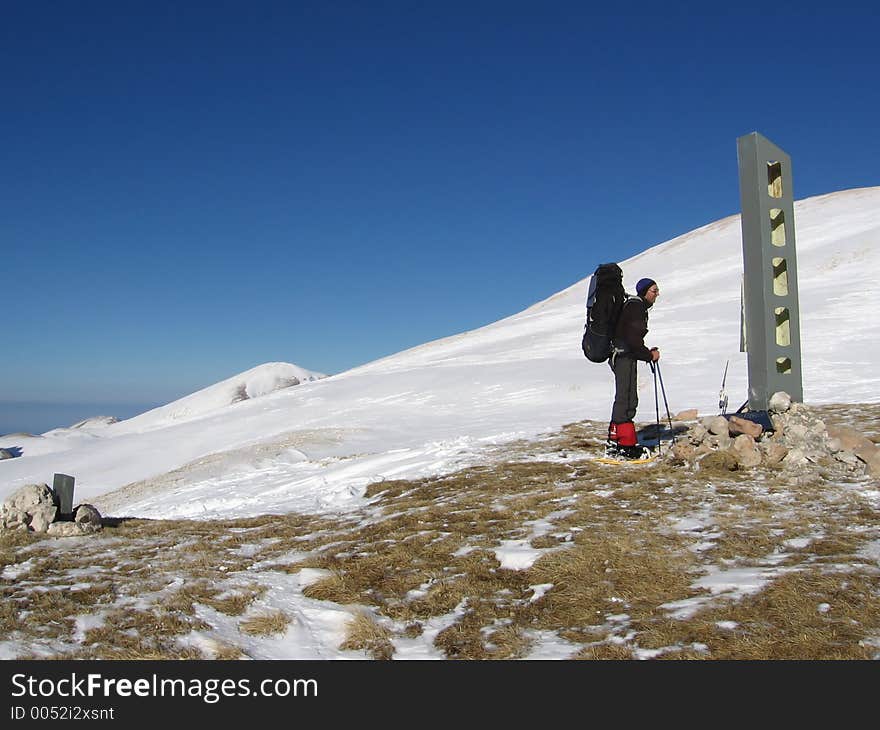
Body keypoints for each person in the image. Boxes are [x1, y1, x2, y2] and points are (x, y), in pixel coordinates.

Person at [606, 278, 660, 459]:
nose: (657, 294)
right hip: (624, 356)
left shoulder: (634, 306)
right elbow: (633, 339)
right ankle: (625, 446)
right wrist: (649, 355)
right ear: (644, 291)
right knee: (627, 399)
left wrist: (645, 352)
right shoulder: (636, 308)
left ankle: (615, 441)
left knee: (624, 397)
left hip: (621, 355)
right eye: (654, 290)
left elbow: (632, 338)